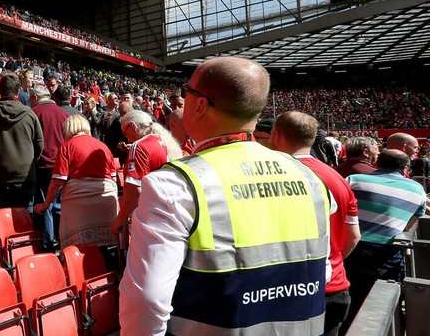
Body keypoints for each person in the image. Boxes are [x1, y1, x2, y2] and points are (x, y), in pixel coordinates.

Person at [119, 56, 330, 335]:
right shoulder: (308, 176)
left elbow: (147, 300)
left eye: (187, 93)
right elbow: (322, 270)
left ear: (200, 105)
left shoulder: (173, 183)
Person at [271, 111, 361, 336]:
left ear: (277, 134)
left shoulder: (271, 175)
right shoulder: (339, 178)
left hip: (284, 290)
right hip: (334, 286)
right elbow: (353, 236)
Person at [344, 149, 427, 329]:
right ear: (405, 167)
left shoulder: (353, 180)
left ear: (377, 163)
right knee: (385, 301)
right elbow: (408, 224)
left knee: (350, 297)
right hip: (386, 253)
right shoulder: (417, 188)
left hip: (350, 248)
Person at [34, 115, 119, 268]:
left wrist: (46, 203)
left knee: (80, 248)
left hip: (79, 203)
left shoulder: (67, 146)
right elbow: (113, 178)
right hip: (106, 199)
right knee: (106, 247)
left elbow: (58, 181)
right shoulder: (102, 145)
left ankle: (83, 276)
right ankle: (108, 279)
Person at [110, 109, 182, 252]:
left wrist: (120, 219)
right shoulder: (164, 141)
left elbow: (135, 191)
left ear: (133, 126)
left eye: (125, 133)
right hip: (168, 214)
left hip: (149, 217)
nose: (128, 139)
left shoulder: (139, 146)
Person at [0, 72, 44, 210]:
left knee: (2, 218)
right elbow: (39, 145)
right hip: (25, 176)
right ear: (18, 91)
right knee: (24, 220)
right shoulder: (30, 114)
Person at [30, 85, 70, 252]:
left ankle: (47, 246)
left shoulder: (34, 113)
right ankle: (63, 243)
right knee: (59, 206)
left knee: (45, 206)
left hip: (42, 166)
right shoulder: (63, 113)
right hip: (61, 166)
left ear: (34, 98)